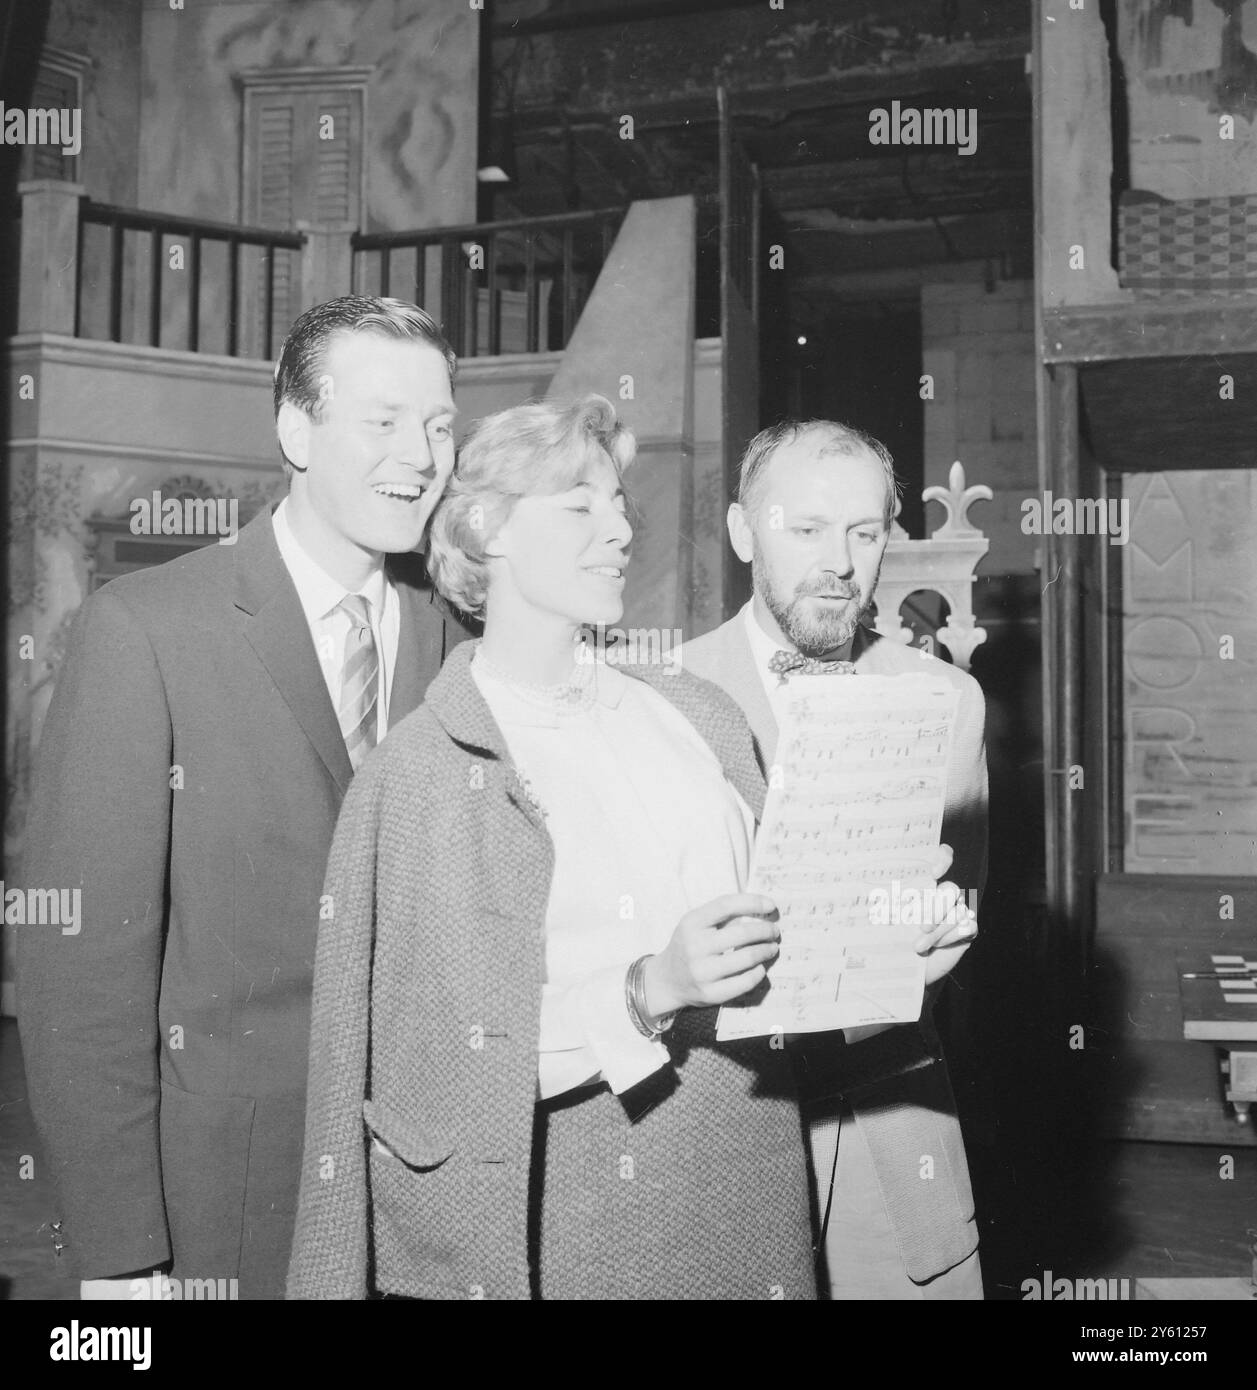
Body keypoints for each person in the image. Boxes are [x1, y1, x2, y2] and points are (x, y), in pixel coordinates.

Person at [291, 396, 907, 1300]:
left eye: (618, 505)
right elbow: (440, 1066)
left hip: (748, 1186)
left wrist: (886, 946)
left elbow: (779, 949)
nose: (618, 529)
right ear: (483, 530)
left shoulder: (697, 714)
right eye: (579, 506)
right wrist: (650, 988)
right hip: (572, 1216)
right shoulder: (420, 772)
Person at [17, 295, 467, 1300]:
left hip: (425, 1213)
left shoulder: (453, 644)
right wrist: (122, 1250)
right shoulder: (147, 629)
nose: (421, 455)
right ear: (295, 427)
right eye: (383, 420)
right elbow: (83, 982)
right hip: (226, 1214)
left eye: (440, 425)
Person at [681, 418, 988, 1300]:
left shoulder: (944, 701)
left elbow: (957, 908)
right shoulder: (658, 696)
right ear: (744, 532)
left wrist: (930, 943)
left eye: (864, 532)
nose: (839, 563)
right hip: (722, 1140)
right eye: (805, 529)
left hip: (890, 1143)